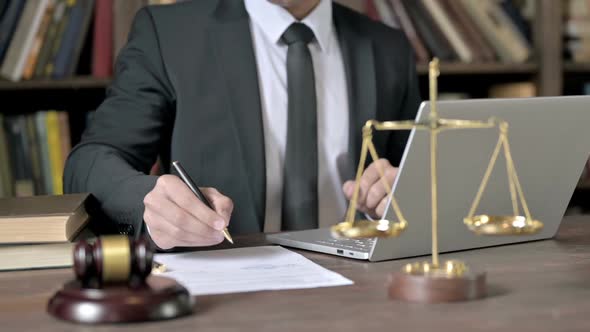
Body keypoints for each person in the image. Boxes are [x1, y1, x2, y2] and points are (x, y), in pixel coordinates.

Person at [63, 0, 421, 250]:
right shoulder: (168, 33)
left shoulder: (388, 47)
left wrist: (401, 191)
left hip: (360, 292)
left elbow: (416, 181)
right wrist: (147, 201)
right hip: (225, 290)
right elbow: (90, 161)